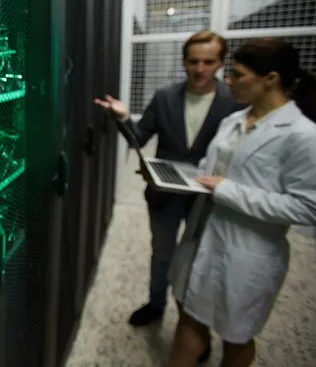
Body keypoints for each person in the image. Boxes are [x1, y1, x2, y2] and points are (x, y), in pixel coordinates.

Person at [168, 38, 316, 367]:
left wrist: (227, 191)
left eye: (238, 74)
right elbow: (211, 171)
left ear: (271, 79)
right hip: (203, 233)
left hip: (249, 251)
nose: (229, 81)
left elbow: (308, 208)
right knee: (189, 316)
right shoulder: (233, 121)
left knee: (236, 335)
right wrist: (173, 177)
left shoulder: (303, 135)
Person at [95, 30, 240, 337]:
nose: (200, 69)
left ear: (220, 63)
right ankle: (156, 304)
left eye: (208, 62)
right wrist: (122, 118)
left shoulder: (235, 104)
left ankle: (194, 326)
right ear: (184, 61)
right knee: (162, 253)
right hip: (166, 193)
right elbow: (140, 138)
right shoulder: (165, 97)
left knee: (202, 259)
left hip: (208, 197)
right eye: (193, 61)